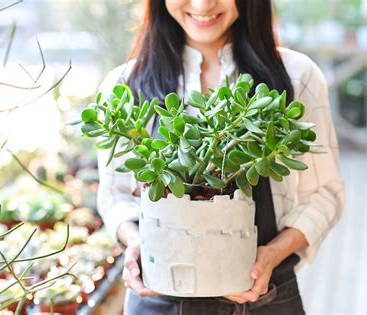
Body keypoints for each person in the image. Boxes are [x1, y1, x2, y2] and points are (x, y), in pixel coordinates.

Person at [96, 1, 345, 314]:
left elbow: (324, 194)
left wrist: (271, 256)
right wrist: (136, 243)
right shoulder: (123, 86)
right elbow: (115, 195)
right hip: (159, 298)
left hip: (265, 297)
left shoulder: (297, 76)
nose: (203, 4)